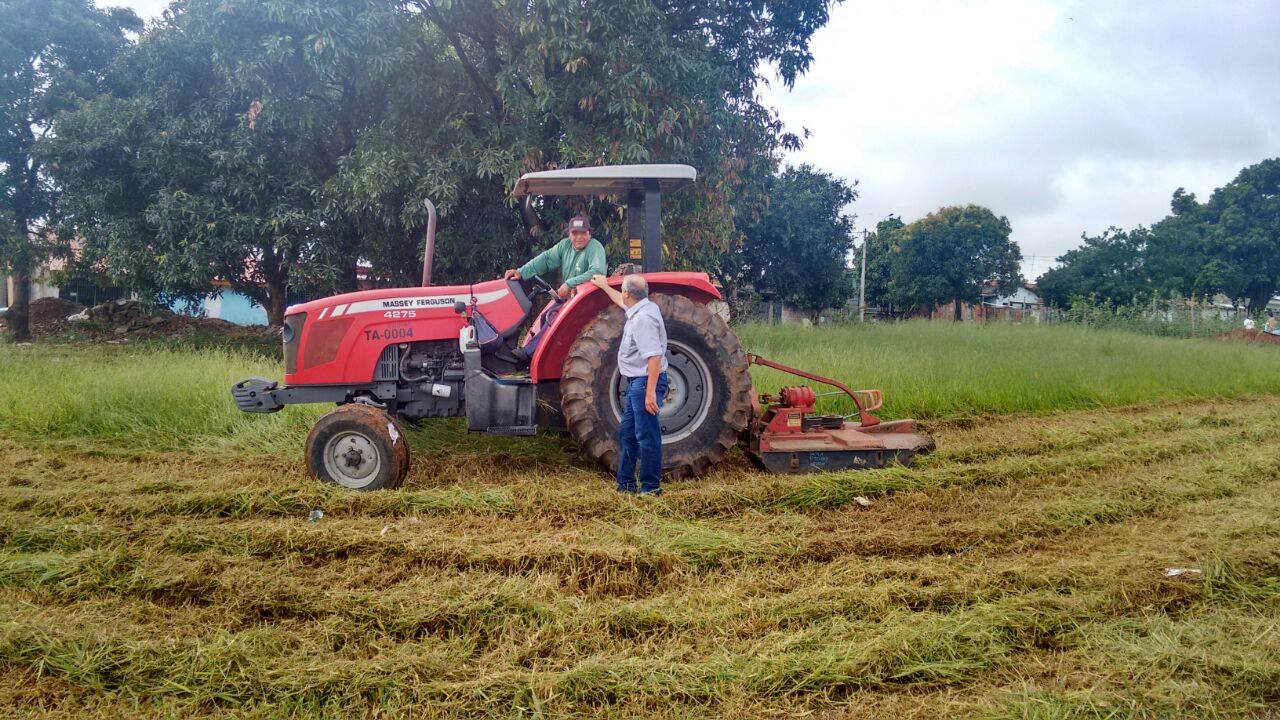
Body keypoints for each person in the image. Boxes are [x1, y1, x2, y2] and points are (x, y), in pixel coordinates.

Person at [590, 273, 668, 496]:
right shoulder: (641, 307)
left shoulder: (644, 319)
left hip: (644, 383)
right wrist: (605, 286)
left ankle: (651, 488)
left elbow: (653, 357)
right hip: (638, 383)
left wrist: (651, 393)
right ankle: (626, 486)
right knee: (628, 434)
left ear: (628, 292)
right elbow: (620, 301)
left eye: (622, 289)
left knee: (646, 436)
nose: (621, 293)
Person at [504, 215, 607, 361]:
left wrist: (569, 283)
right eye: (575, 233)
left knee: (554, 316)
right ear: (569, 234)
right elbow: (545, 259)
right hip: (572, 299)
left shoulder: (594, 247)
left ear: (589, 233)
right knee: (548, 314)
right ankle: (534, 353)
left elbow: (597, 272)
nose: (579, 237)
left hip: (589, 301)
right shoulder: (565, 246)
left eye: (583, 233)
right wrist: (521, 272)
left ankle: (529, 354)